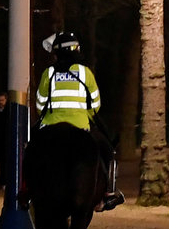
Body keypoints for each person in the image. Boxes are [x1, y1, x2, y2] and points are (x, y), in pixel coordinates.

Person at [35, 31, 124, 211]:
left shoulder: (48, 73)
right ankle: (108, 194)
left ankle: (26, 191)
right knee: (107, 152)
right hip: (81, 127)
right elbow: (96, 105)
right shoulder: (85, 73)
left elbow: (39, 104)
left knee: (30, 152)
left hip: (50, 128)